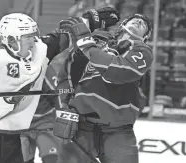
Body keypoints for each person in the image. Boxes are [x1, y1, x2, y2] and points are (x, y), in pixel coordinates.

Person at [0, 8, 120, 163]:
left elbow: (66, 35)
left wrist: (90, 20)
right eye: (27, 36)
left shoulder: (40, 49)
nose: (33, 39)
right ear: (12, 40)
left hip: (12, 137)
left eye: (32, 34)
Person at [19, 7, 120, 163]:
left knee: (53, 157)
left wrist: (86, 23)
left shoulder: (43, 61)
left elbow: (57, 93)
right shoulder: (3, 63)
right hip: (19, 125)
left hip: (45, 123)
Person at [53, 13, 153, 163]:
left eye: (144, 24)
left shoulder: (142, 51)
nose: (139, 21)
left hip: (118, 130)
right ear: (123, 24)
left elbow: (116, 72)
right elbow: (67, 71)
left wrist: (86, 42)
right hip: (80, 124)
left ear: (145, 37)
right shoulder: (97, 39)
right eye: (135, 19)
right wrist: (65, 104)